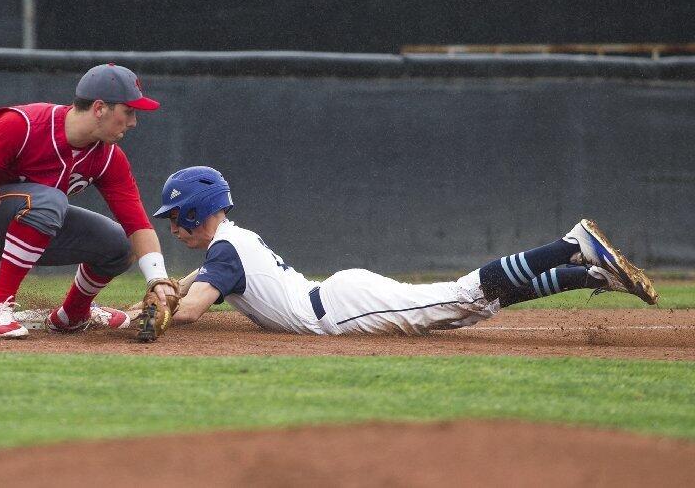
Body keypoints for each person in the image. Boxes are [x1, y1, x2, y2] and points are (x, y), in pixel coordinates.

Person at [149, 166, 658, 335]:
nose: (172, 226)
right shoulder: (229, 244)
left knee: (462, 297)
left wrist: (162, 310)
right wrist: (170, 288)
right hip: (338, 300)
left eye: (175, 217)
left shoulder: (226, 250)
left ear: (197, 210)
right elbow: (199, 281)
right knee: (467, 311)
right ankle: (586, 273)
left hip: (341, 310)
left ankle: (568, 245)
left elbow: (191, 310)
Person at [0, 63, 177, 338]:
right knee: (50, 200)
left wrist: (157, 278)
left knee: (120, 244)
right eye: (128, 111)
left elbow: (137, 224)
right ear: (99, 108)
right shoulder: (25, 124)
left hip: (29, 224)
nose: (133, 122)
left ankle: (72, 315)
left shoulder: (109, 157)